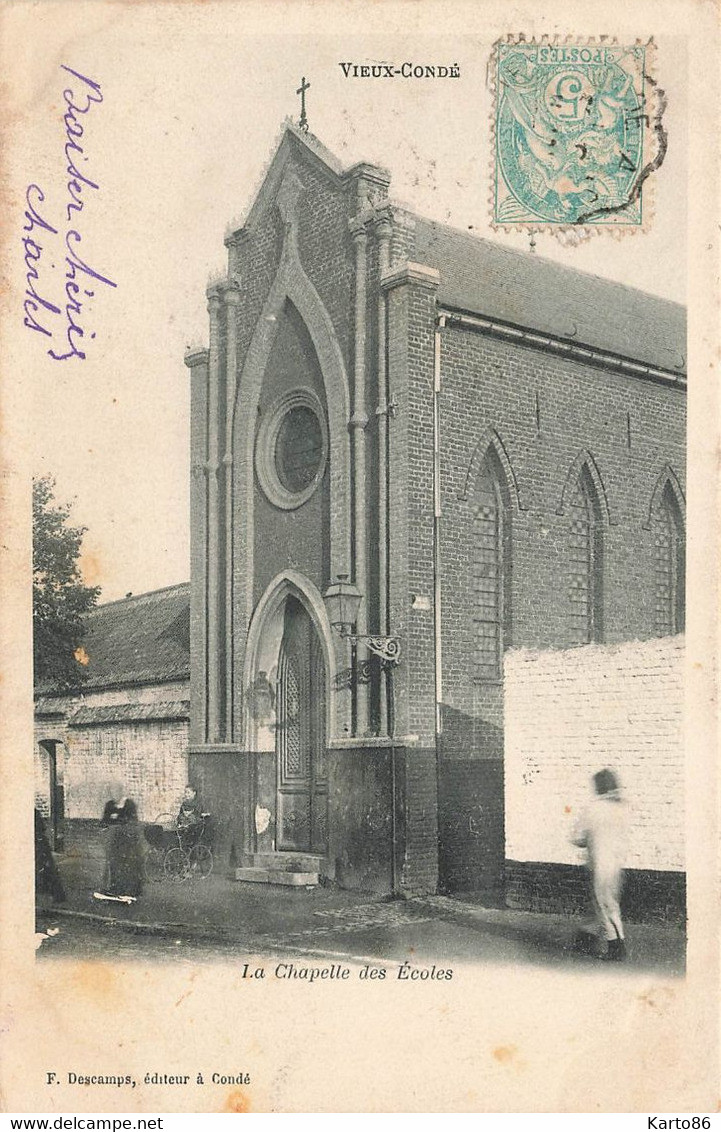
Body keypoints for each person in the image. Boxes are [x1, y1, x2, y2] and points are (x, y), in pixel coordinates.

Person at [571, 768, 629, 960]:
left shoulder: (593, 808)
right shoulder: (622, 807)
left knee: (603, 904)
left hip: (598, 864)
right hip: (616, 864)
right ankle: (585, 938)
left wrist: (586, 840)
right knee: (606, 903)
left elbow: (576, 837)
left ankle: (616, 946)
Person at [96, 796, 144, 901]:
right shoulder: (110, 805)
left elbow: (132, 822)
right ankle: (113, 889)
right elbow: (104, 822)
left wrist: (116, 820)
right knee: (113, 864)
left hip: (126, 842)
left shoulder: (129, 804)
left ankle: (128, 891)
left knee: (126, 865)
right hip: (114, 841)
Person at [34, 807, 66, 904]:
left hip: (39, 844)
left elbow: (40, 828)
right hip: (39, 843)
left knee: (47, 869)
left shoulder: (33, 813)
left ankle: (56, 896)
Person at [176, 784, 203, 849]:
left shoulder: (197, 804)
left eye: (188, 792)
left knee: (192, 822)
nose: (186, 794)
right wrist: (180, 820)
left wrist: (189, 815)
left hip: (193, 826)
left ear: (194, 793)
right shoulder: (184, 804)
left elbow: (197, 815)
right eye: (185, 792)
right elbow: (180, 814)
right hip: (183, 824)